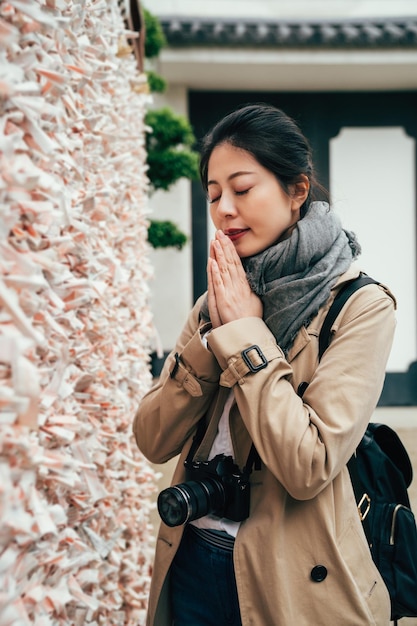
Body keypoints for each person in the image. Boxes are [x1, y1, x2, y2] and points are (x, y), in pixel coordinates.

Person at [133, 103, 396, 626]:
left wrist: (245, 336)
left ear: (297, 190)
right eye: (212, 194)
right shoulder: (218, 299)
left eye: (242, 188)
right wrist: (214, 340)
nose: (224, 208)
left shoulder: (361, 306)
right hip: (190, 558)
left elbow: (308, 466)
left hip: (292, 576)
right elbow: (152, 438)